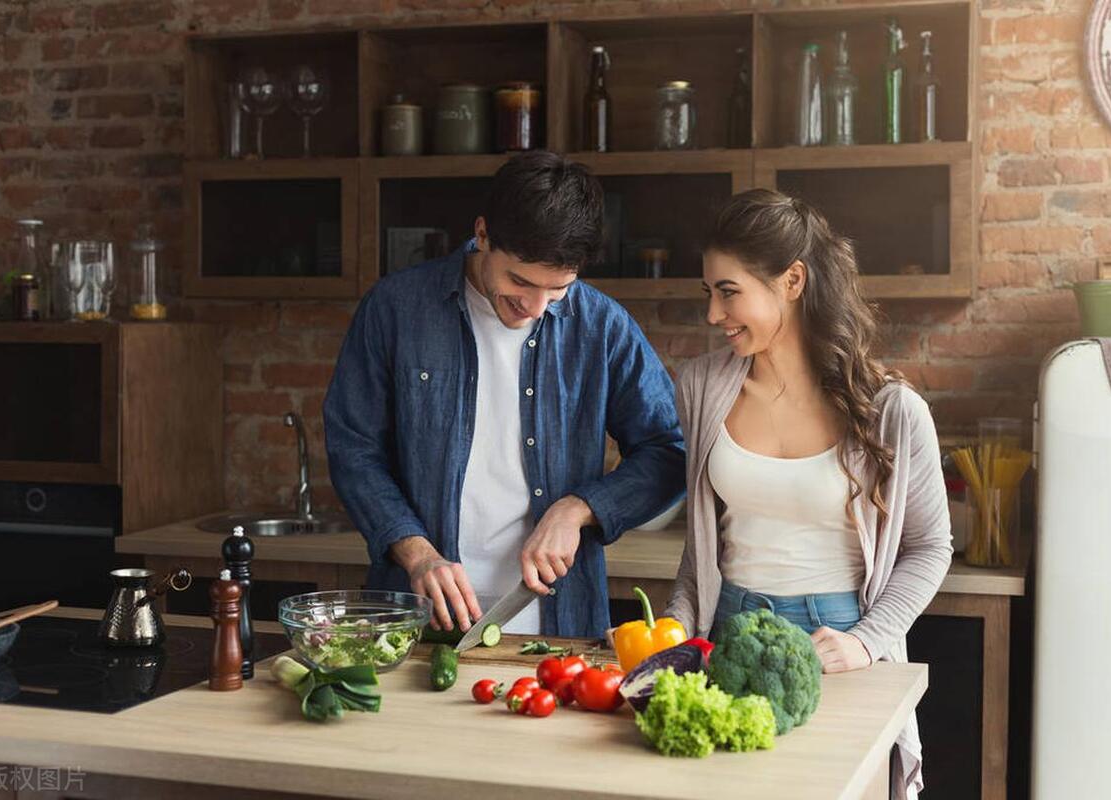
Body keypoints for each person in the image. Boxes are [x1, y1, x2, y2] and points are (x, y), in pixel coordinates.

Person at [324, 151, 685, 639]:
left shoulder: (603, 327)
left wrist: (577, 508)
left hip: (559, 625)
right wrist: (417, 552)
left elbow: (670, 451)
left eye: (557, 289)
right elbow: (354, 448)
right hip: (417, 617)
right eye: (520, 281)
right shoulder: (395, 310)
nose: (535, 307)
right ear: (483, 233)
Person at [664, 189, 952, 799]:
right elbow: (701, 549)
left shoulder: (890, 409)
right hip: (727, 634)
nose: (714, 314)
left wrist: (868, 641)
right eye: (709, 293)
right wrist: (673, 628)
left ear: (792, 280)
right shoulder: (700, 387)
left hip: (840, 645)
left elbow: (930, 546)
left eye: (728, 291)